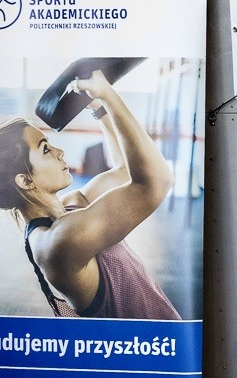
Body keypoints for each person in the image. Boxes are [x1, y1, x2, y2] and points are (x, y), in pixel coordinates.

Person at [2, 70, 180, 321]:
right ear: (25, 180)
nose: (60, 152)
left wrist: (98, 107)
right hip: (144, 345)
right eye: (46, 150)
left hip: (160, 337)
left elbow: (123, 171)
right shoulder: (60, 242)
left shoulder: (69, 209)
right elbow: (157, 181)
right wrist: (109, 95)